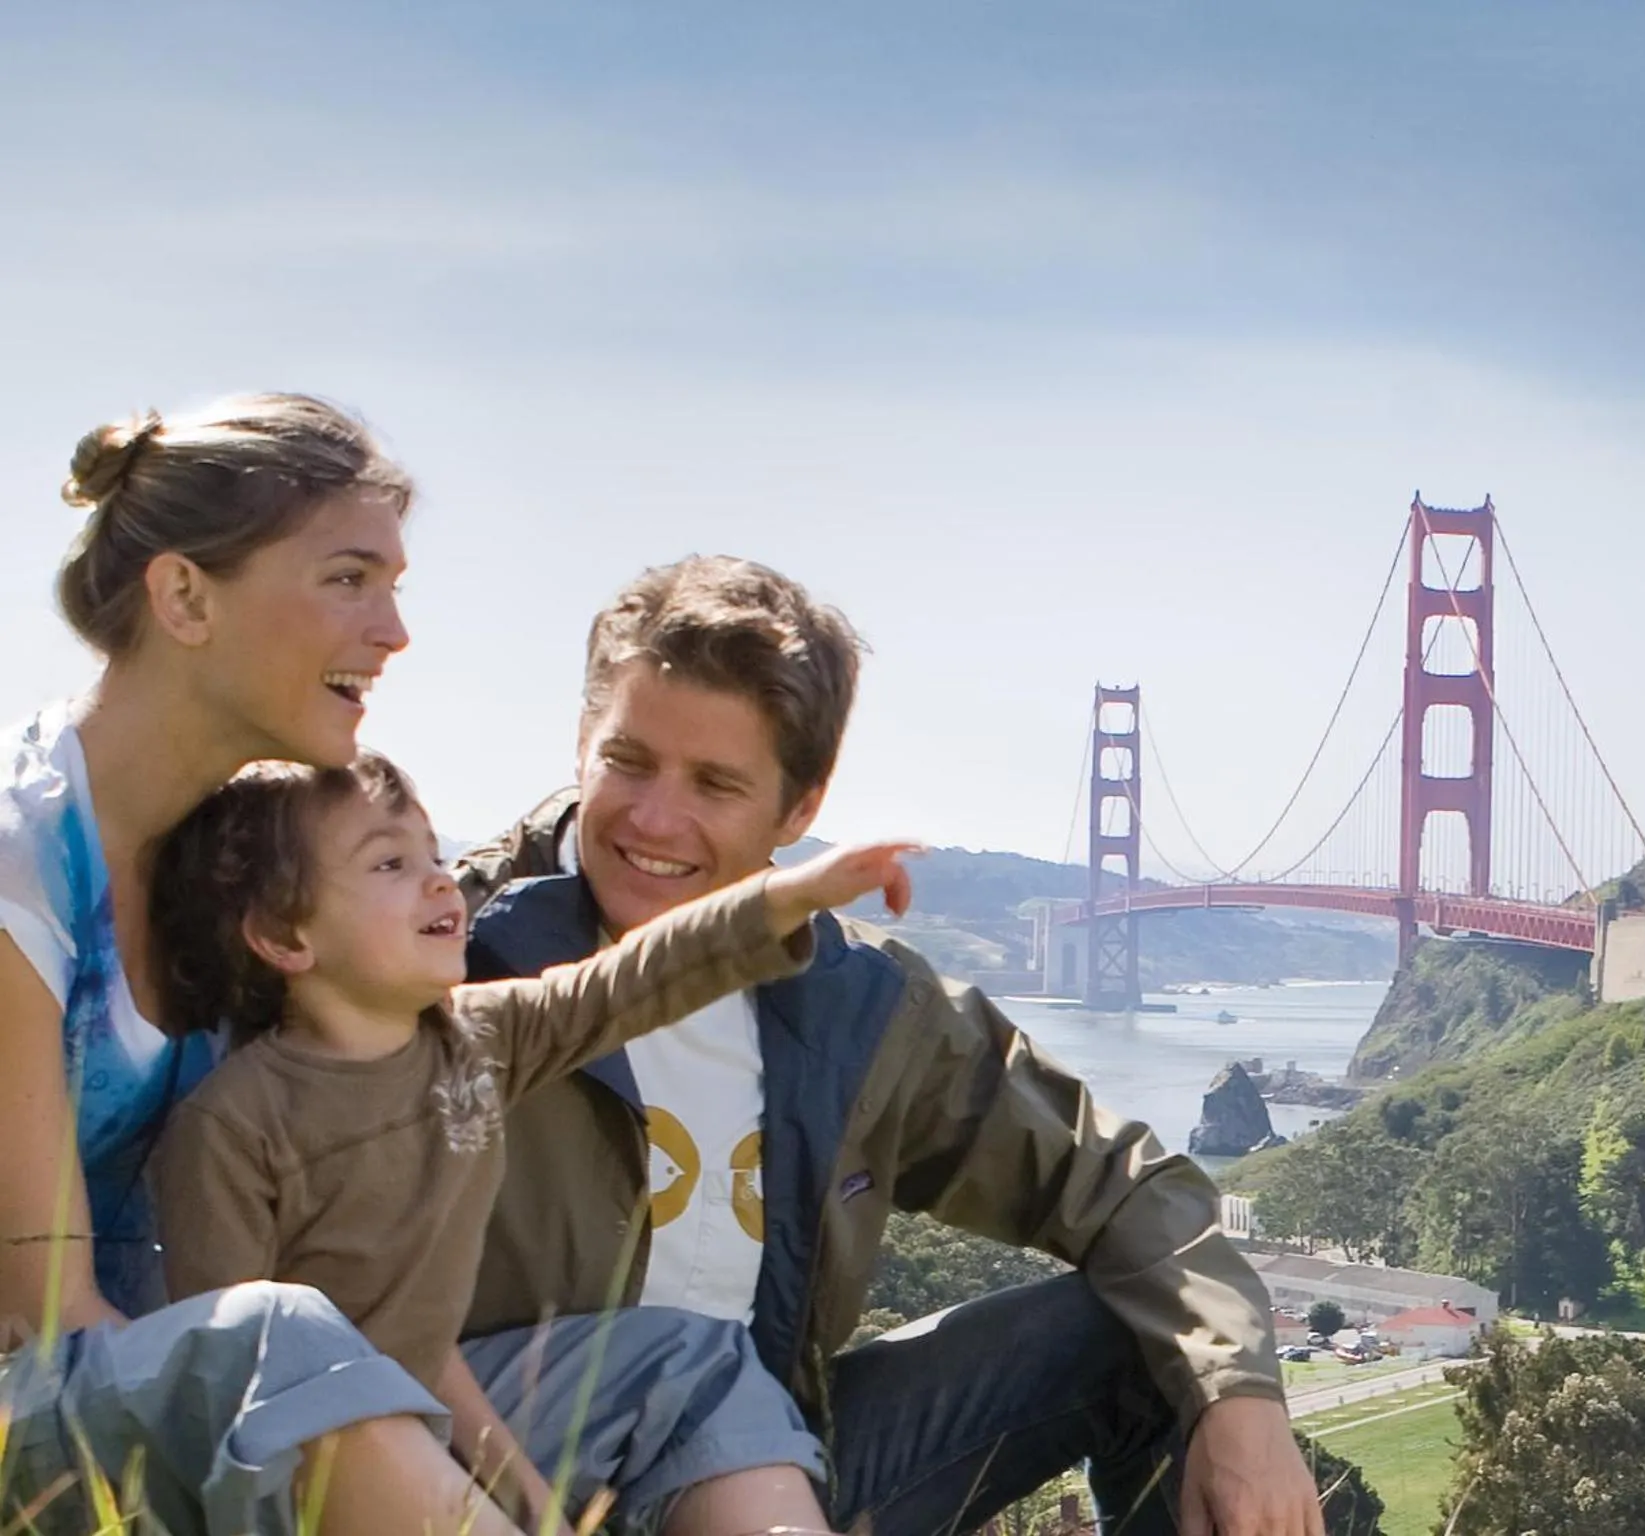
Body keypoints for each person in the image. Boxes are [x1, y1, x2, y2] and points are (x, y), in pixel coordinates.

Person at [456, 556, 1322, 1536]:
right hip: (480, 1489)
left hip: (771, 1481)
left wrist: (1241, 1399)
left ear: (799, 809)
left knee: (1151, 1333)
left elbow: (1124, 1186)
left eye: (713, 783)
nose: (655, 819)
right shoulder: (435, 946)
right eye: (627, 761)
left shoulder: (860, 1008)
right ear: (581, 741)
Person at [147, 748, 915, 1535]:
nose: (441, 880)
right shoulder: (232, 1127)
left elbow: (636, 979)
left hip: (445, 1399)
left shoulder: (476, 1040)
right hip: (309, 1456)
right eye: (390, 864)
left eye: (433, 855)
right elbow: (223, 1392)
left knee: (696, 1359)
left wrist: (788, 896)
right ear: (283, 935)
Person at [1, 396, 520, 1535]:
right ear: (184, 597)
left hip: (172, 1370)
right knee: (277, 1343)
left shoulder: (237, 861)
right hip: (34, 1404)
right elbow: (46, 1319)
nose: (393, 632)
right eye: (347, 578)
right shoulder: (19, 870)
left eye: (394, 587)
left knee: (659, 1365)